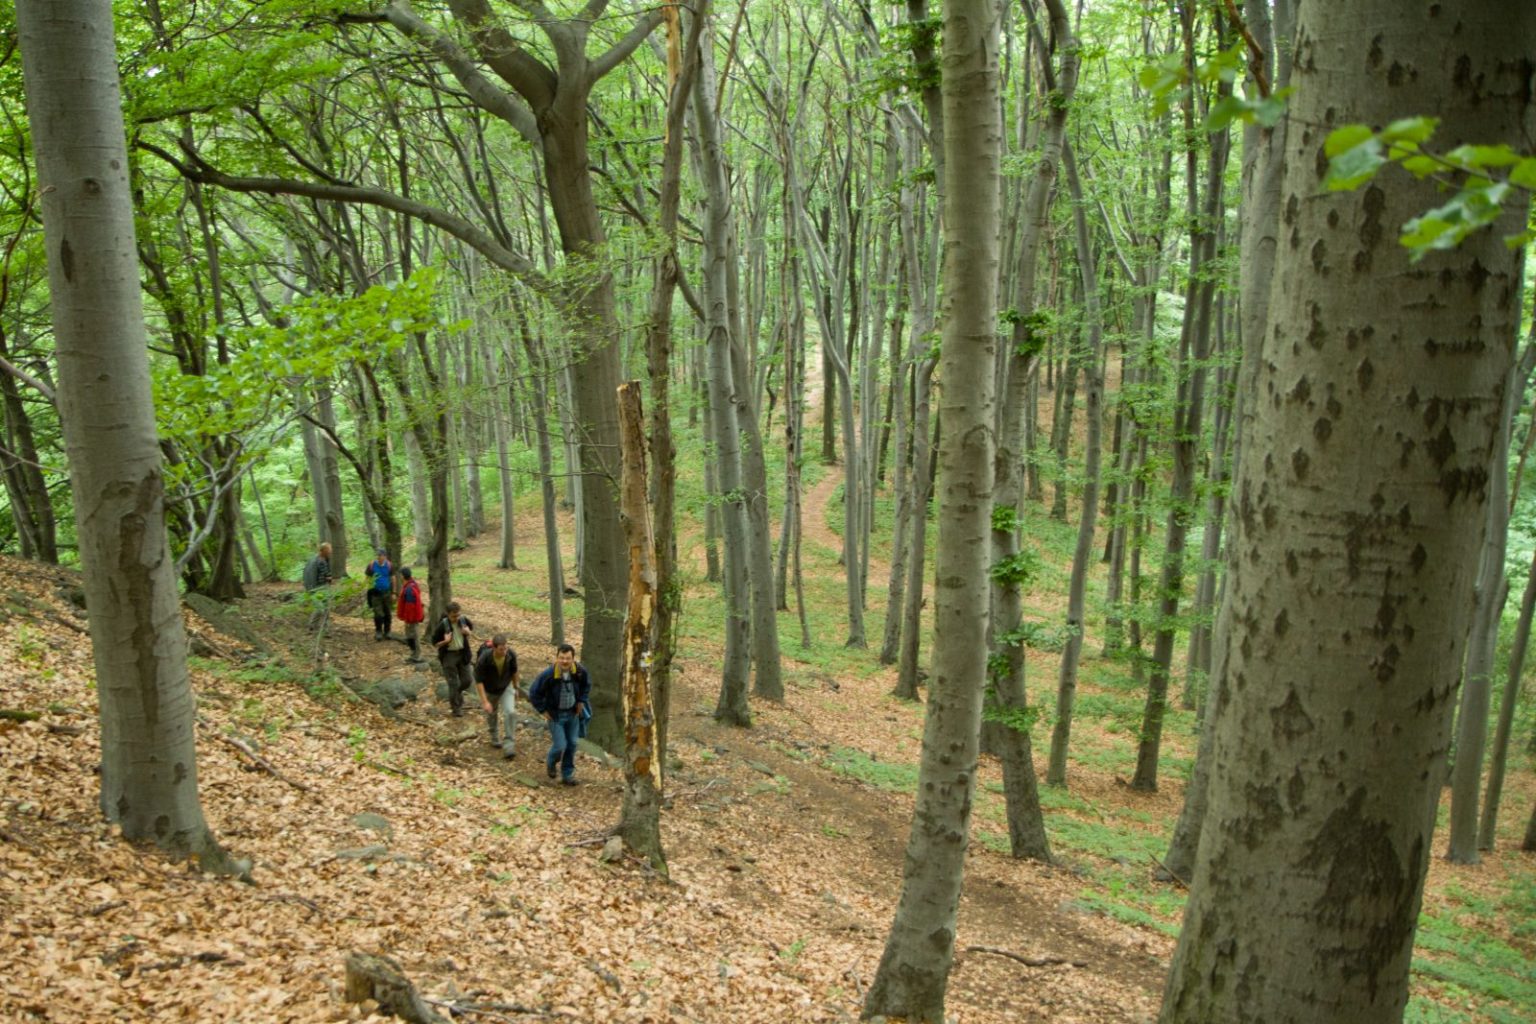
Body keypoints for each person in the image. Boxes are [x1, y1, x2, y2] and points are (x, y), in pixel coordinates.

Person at [528, 643, 589, 786]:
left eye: (568, 658)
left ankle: (567, 775)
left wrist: (581, 701)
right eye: (562, 658)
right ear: (557, 658)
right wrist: (542, 710)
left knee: (572, 744)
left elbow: (586, 686)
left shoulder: (579, 672)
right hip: (555, 716)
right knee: (560, 745)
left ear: (573, 659)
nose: (565, 661)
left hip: (573, 713)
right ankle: (551, 762)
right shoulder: (548, 675)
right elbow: (533, 692)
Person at [474, 634, 520, 759]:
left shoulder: (511, 655)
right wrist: (484, 701)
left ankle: (509, 744)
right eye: (501, 649)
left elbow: (515, 671)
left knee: (510, 712)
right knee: (491, 713)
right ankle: (494, 734)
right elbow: (478, 681)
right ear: (494, 648)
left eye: (506, 648)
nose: (504, 651)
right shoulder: (485, 658)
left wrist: (516, 688)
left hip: (506, 686)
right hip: (490, 689)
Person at [430, 601, 475, 716]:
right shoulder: (443, 625)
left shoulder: (464, 620)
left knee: (467, 680)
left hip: (463, 653)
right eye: (454, 616)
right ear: (448, 614)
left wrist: (468, 632)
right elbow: (434, 643)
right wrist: (445, 641)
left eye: (458, 615)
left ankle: (456, 693)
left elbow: (471, 628)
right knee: (453, 683)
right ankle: (456, 708)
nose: (457, 618)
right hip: (449, 655)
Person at [364, 547, 395, 640]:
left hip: (386, 593)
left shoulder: (389, 565)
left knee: (387, 612)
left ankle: (387, 631)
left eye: (380, 555)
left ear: (385, 556)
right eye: (377, 555)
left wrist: (394, 592)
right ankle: (378, 631)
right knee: (378, 614)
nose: (378, 557)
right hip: (375, 593)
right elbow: (367, 577)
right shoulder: (371, 565)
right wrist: (368, 588)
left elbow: (393, 579)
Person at [301, 542, 332, 632]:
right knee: (320, 608)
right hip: (317, 588)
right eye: (329, 549)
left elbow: (325, 573)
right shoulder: (317, 561)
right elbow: (313, 575)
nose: (330, 551)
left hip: (322, 587)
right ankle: (313, 625)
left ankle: (325, 628)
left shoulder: (324, 559)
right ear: (323, 550)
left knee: (325, 608)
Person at [396, 567, 425, 663]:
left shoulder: (409, 589)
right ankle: (414, 654)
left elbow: (410, 607)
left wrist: (408, 620)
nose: (399, 576)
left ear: (403, 576)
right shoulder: (411, 585)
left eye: (400, 574)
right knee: (411, 636)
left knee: (414, 636)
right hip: (412, 618)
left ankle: (417, 656)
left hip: (412, 618)